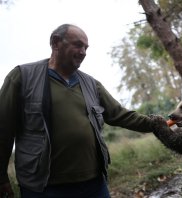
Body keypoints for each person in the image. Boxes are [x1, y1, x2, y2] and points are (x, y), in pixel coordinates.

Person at [0, 24, 156, 198]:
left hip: (94, 184)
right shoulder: (22, 77)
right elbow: (3, 130)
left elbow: (120, 115)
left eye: (86, 47)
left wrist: (159, 125)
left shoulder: (91, 84)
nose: (83, 52)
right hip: (44, 188)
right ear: (56, 43)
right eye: (78, 44)